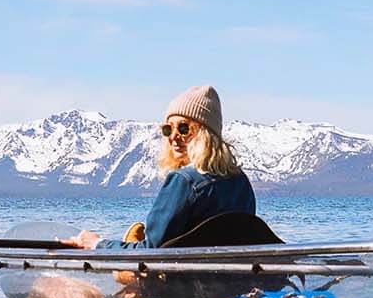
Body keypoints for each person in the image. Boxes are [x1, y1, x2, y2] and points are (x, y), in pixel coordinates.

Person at [63, 85, 256, 250]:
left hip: (181, 289)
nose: (172, 137)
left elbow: (150, 252)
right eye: (167, 129)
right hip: (229, 286)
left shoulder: (184, 181)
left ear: (204, 133)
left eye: (183, 128)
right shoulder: (241, 184)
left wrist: (97, 244)